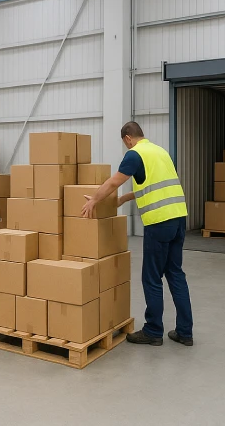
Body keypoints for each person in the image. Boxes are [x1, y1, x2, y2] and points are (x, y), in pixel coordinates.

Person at [80, 121, 194, 347]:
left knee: (151, 278)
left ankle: (153, 331)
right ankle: (185, 332)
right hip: (179, 218)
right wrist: (124, 199)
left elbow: (114, 182)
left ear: (127, 138)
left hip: (159, 223)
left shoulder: (134, 154)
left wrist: (94, 199)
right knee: (175, 274)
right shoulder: (159, 152)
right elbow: (152, 185)